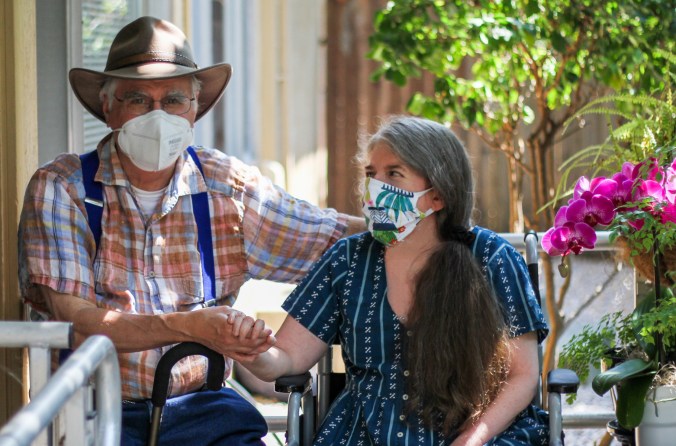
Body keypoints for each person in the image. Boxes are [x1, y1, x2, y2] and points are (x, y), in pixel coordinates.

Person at [18, 16, 362, 446]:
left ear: (195, 108)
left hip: (205, 408)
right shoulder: (63, 187)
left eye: (174, 99)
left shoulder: (226, 187)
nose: (158, 115)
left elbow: (335, 240)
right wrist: (191, 326)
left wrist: (427, 226)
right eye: (138, 99)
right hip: (92, 412)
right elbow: (80, 323)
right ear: (108, 108)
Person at [230, 116, 550, 445]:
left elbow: (523, 376)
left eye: (393, 174)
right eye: (371, 175)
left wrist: (472, 439)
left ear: (438, 195)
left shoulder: (492, 258)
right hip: (364, 433)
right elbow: (287, 358)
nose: (375, 187)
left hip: (480, 432)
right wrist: (253, 352)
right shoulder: (347, 260)